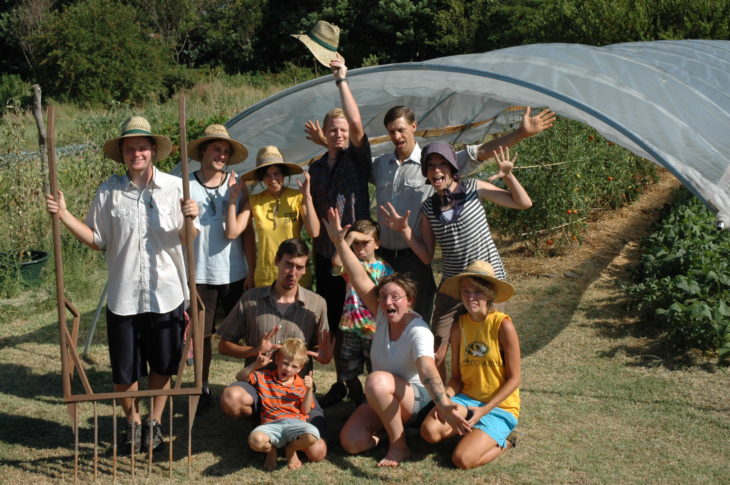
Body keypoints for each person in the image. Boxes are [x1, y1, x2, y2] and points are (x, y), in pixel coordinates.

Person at [306, 105, 555, 323]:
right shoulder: (381, 165)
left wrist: (521, 133)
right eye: (392, 131)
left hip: (415, 257)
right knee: (384, 317)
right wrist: (326, 143)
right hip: (383, 258)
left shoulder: (434, 161)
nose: (397, 136)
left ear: (414, 126)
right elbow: (353, 162)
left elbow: (481, 152)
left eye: (401, 129)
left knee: (420, 318)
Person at [45, 116, 200, 452]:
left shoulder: (176, 188)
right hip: (124, 295)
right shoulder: (109, 192)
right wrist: (64, 214)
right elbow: (97, 240)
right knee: (124, 372)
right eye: (130, 148)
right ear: (123, 153)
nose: (136, 153)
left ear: (153, 151)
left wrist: (191, 217)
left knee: (163, 364)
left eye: (142, 147)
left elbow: (186, 239)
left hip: (167, 293)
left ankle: (155, 422)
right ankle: (132, 422)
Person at [322, 207, 469, 467]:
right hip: (386, 398)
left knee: (376, 381)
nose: (387, 302)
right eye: (383, 296)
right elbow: (357, 275)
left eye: (395, 297)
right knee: (351, 442)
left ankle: (399, 445)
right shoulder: (381, 313)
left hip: (418, 401)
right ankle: (386, 433)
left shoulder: (418, 330)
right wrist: (338, 241)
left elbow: (427, 371)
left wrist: (444, 404)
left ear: (409, 300)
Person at [380, 142, 531, 376]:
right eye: (430, 165)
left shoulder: (473, 188)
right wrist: (405, 232)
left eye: (442, 164)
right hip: (453, 284)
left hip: (486, 281)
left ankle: (492, 396)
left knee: (489, 345)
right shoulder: (429, 208)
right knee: (436, 349)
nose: (436, 170)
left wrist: (509, 176)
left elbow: (523, 202)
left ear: (452, 168)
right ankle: (438, 403)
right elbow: (427, 256)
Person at [216, 238, 332, 462]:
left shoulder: (317, 304)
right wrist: (254, 350)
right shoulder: (251, 300)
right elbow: (223, 345)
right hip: (261, 386)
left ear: (305, 269)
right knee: (231, 398)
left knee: (318, 453)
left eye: (299, 267)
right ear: (277, 261)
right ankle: (268, 422)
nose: (292, 272)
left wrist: (326, 358)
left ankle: (283, 434)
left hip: (296, 393)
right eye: (288, 264)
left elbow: (322, 351)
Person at [308, 57, 372, 407]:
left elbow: (359, 123)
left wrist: (341, 81)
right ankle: (343, 382)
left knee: (363, 316)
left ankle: (370, 379)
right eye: (333, 130)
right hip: (324, 252)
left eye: (343, 129)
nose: (340, 134)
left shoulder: (358, 159)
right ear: (325, 132)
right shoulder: (316, 167)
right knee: (334, 317)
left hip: (357, 251)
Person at [420, 260, 520, 469]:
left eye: (477, 291)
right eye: (465, 292)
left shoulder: (503, 325)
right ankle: (471, 432)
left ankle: (506, 442)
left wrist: (485, 410)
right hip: (467, 399)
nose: (471, 297)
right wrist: (446, 398)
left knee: (462, 460)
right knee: (428, 432)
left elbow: (514, 379)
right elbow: (456, 377)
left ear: (489, 294)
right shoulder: (458, 327)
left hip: (500, 406)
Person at [187, 124, 255, 413]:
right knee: (201, 335)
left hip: (234, 272)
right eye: (216, 149)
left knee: (248, 333)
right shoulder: (186, 185)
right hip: (200, 274)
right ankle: (201, 387)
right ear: (203, 150)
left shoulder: (237, 184)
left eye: (226, 151)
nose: (222, 155)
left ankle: (251, 385)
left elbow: (247, 231)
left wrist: (251, 269)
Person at [226, 146, 319, 288]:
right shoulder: (254, 201)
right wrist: (232, 199)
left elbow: (314, 232)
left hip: (295, 275)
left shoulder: (297, 197)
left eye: (277, 173)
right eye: (267, 175)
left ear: (284, 175)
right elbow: (232, 232)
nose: (273, 179)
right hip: (266, 276)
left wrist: (307, 196)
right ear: (261, 178)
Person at [330, 219, 393, 406]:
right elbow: (335, 261)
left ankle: (374, 408)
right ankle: (359, 405)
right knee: (347, 373)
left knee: (375, 373)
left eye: (365, 242)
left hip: (374, 330)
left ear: (378, 243)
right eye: (356, 244)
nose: (360, 248)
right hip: (350, 328)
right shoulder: (350, 266)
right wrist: (350, 237)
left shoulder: (384, 268)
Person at [239, 338, 323, 470]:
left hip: (295, 423)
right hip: (271, 424)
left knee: (313, 435)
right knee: (255, 441)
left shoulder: (301, 383)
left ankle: (291, 448)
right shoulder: (264, 377)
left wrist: (308, 391)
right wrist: (255, 365)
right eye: (285, 363)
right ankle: (271, 449)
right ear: (277, 359)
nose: (288, 369)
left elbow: (306, 411)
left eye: (294, 366)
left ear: (300, 368)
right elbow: (240, 377)